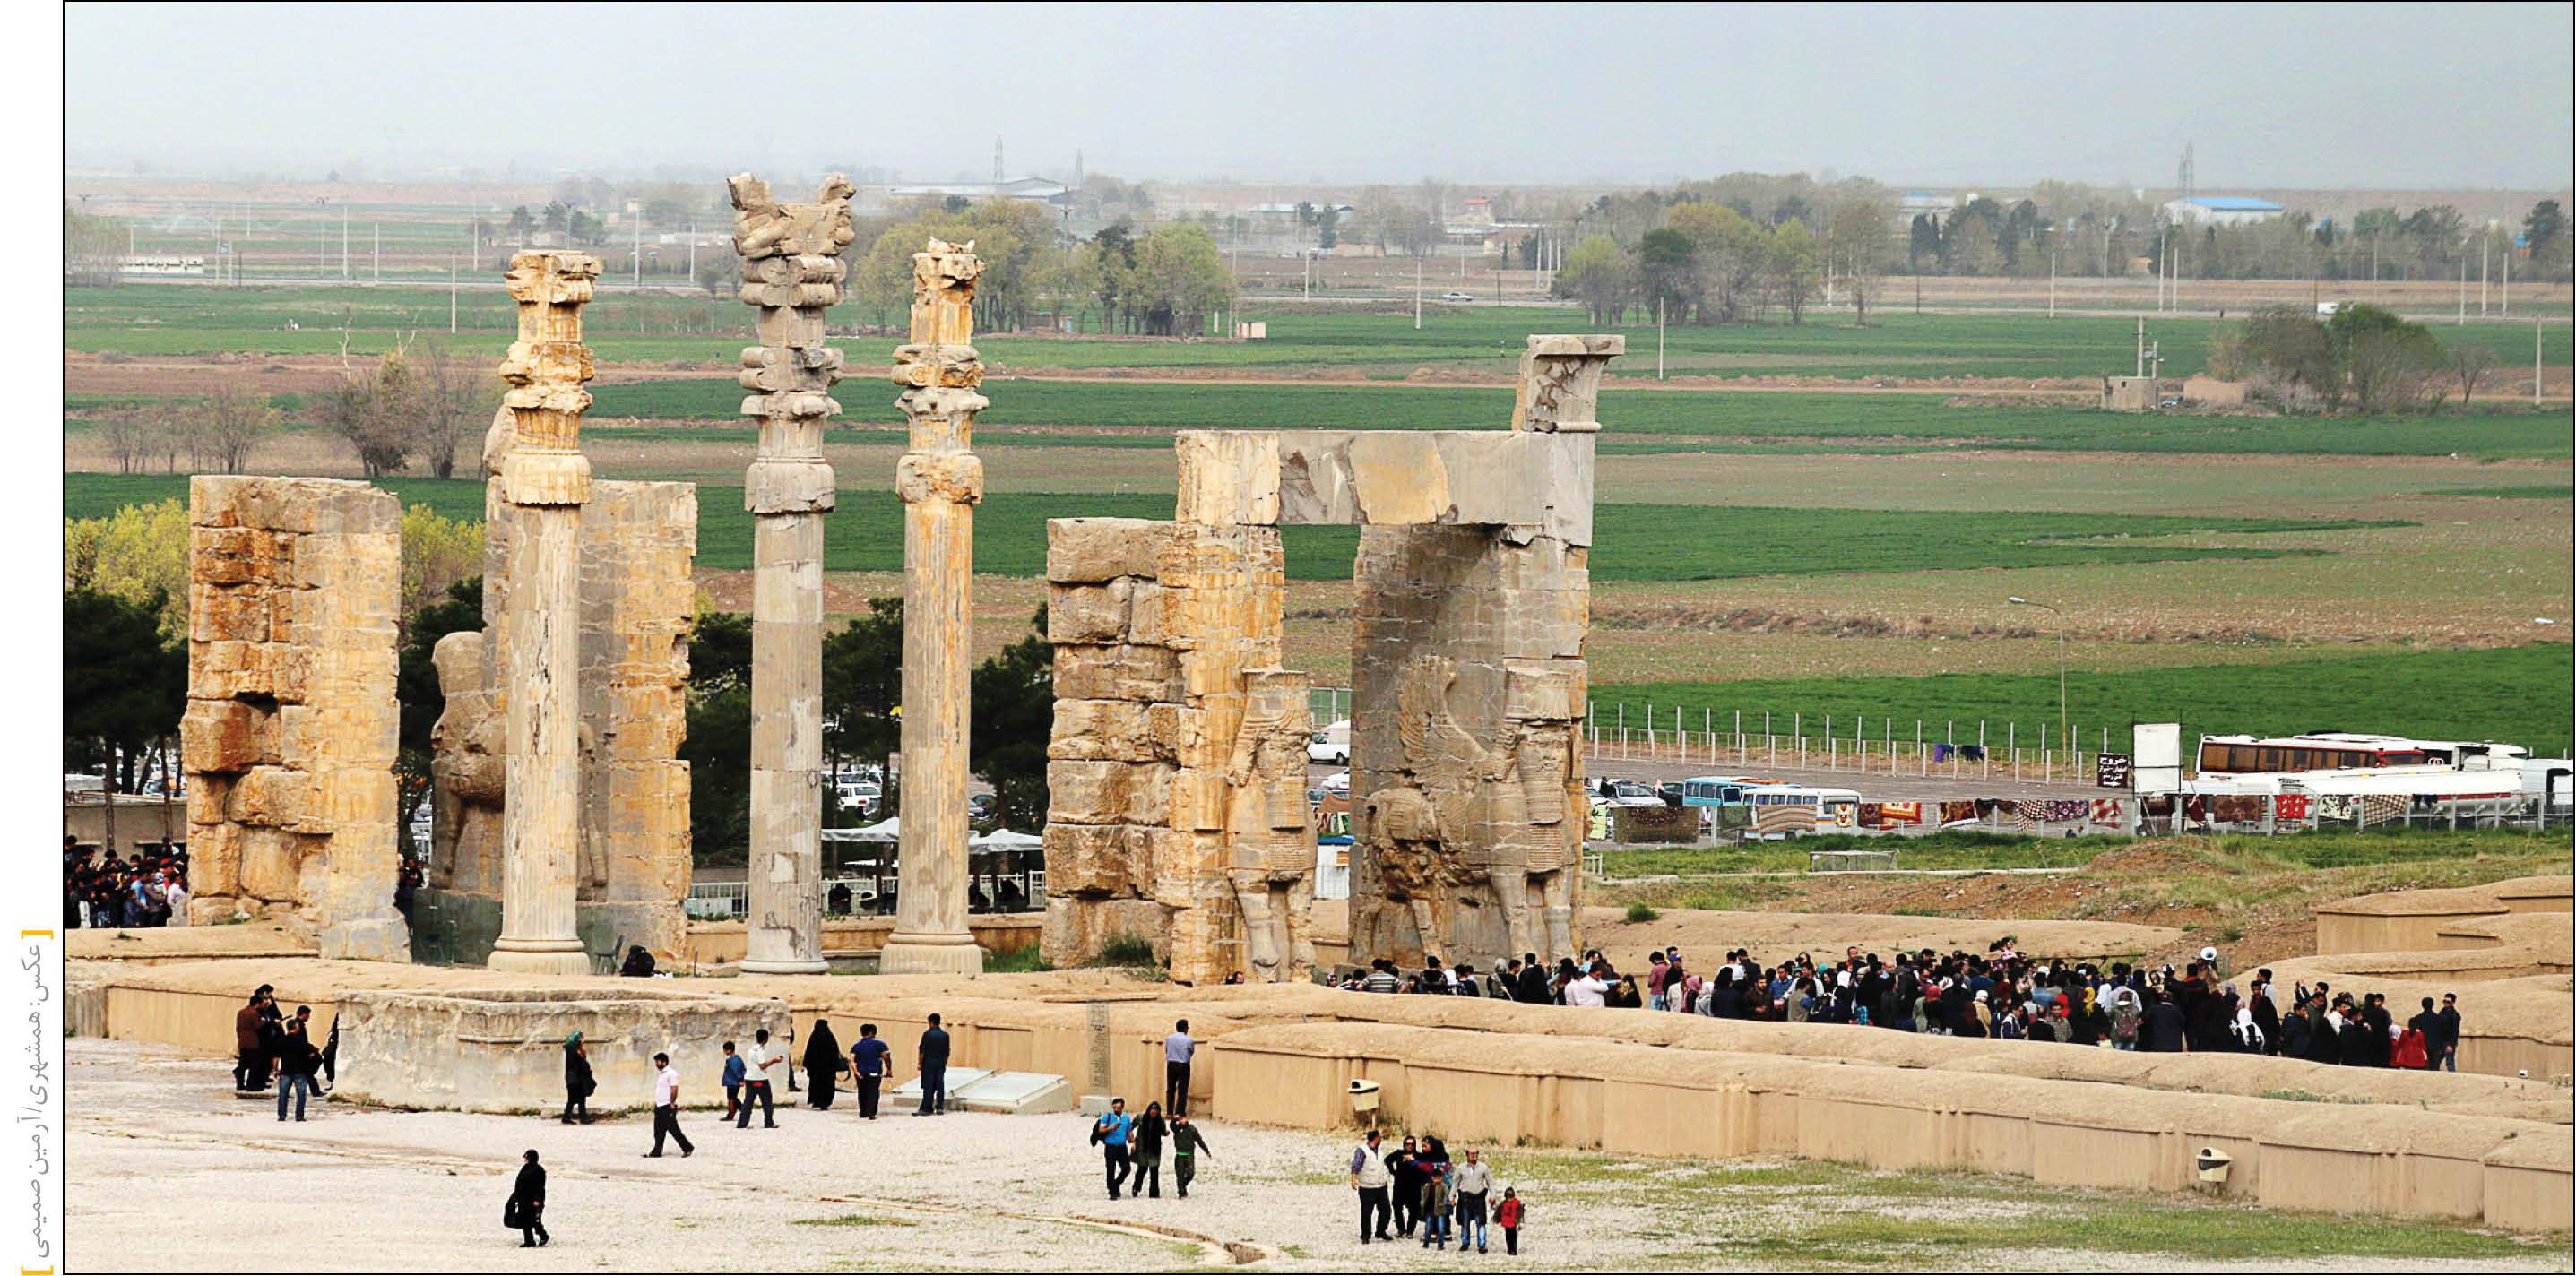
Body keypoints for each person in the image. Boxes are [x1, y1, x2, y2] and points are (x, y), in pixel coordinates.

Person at [274, 1005, 319, 1121]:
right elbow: (309, 1051)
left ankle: (282, 1115)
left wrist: (275, 1070)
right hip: (299, 1070)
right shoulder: (300, 1041)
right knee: (301, 1095)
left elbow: (276, 1057)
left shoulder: (281, 1041)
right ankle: (299, 1116)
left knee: (283, 1095)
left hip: (285, 1071)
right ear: (296, 1027)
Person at [646, 1051, 693, 1158]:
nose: (656, 1064)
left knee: (674, 1130)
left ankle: (687, 1148)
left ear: (664, 1062)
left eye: (657, 1062)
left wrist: (672, 1102)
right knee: (658, 1130)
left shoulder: (671, 1073)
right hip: (659, 1106)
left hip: (667, 1106)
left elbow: (674, 1088)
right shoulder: (662, 1074)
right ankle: (656, 1151)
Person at [1350, 1129, 1393, 1243]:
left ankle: (1381, 1231)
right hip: (1367, 1187)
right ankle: (1365, 1235)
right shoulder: (1362, 1151)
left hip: (1380, 1186)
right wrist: (1353, 1179)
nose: (1381, 1139)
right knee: (1366, 1212)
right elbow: (1356, 1164)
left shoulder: (1380, 1151)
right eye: (1380, 1137)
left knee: (1386, 1211)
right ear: (1376, 1138)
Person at [1452, 1147, 1493, 1254]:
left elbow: (1490, 1182)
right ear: (1467, 1155)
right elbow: (1455, 1183)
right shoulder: (1461, 1168)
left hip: (1479, 1198)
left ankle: (1482, 1245)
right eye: (1471, 1154)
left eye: (1475, 1154)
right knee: (1464, 1222)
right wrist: (1451, 1197)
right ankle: (1465, 1243)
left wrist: (1493, 1195)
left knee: (1481, 1223)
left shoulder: (1483, 1168)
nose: (1474, 1156)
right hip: (1465, 1199)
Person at [738, 1029, 782, 1127]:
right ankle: (769, 1123)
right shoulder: (761, 1050)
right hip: (760, 1078)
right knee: (767, 1102)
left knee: (748, 1102)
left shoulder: (752, 1049)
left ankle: (742, 1123)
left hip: (749, 1078)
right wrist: (774, 1060)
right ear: (766, 1039)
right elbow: (762, 1065)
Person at [1093, 1098, 1135, 1199]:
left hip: (1122, 1147)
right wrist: (1111, 1127)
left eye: (1119, 1108)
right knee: (1111, 1169)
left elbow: (1129, 1131)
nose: (1116, 1109)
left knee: (1126, 1168)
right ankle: (1113, 1192)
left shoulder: (1126, 1118)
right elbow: (1101, 1130)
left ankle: (1115, 1185)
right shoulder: (1107, 1117)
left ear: (1122, 1108)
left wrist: (1133, 1142)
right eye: (1114, 1107)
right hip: (1110, 1147)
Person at [508, 1149, 549, 1248]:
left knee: (533, 1220)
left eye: (526, 1157)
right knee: (525, 1220)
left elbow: (540, 1187)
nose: (525, 1159)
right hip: (524, 1199)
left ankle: (543, 1236)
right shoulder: (526, 1168)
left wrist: (537, 1200)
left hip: (533, 1200)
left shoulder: (538, 1170)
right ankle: (529, 1241)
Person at [851, 1023, 891, 1120]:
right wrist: (889, 1069)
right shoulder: (880, 1044)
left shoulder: (857, 1045)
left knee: (862, 1091)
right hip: (874, 1072)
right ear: (872, 1032)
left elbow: (851, 1059)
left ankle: (863, 1111)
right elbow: (886, 1057)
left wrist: (855, 1071)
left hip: (861, 1072)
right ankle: (871, 1112)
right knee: (873, 1092)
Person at [1387, 1135, 1426, 1237]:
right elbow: (1387, 1160)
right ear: (1404, 1144)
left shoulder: (1419, 1156)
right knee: (1397, 1208)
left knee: (1414, 1210)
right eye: (1407, 1144)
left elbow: (1424, 1168)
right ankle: (1400, 1229)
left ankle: (1410, 1231)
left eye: (1412, 1144)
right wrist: (1393, 1172)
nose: (1409, 1146)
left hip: (1414, 1187)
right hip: (1400, 1186)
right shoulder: (1399, 1154)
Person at [1128, 1100, 1168, 1198]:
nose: (1153, 1112)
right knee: (1142, 1169)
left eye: (1156, 1110)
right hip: (1142, 1148)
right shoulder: (1141, 1118)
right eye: (1152, 1110)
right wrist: (1132, 1140)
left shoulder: (1160, 1120)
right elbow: (1130, 1127)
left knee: (1154, 1171)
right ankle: (1136, 1187)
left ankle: (1154, 1193)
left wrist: (1166, 1133)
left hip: (1154, 1149)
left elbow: (1162, 1131)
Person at [233, 989, 271, 1092]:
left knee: (243, 1064)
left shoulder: (241, 1012)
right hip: (253, 1042)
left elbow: (238, 1027)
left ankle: (240, 1084)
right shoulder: (254, 1013)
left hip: (242, 1042)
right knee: (254, 1064)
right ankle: (251, 1085)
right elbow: (257, 1026)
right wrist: (264, 1021)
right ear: (257, 1004)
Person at [802, 1018, 843, 1111]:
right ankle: (825, 1103)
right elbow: (835, 1052)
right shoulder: (830, 1037)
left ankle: (816, 1101)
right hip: (829, 1069)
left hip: (815, 1069)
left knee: (815, 1084)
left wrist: (806, 1064)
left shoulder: (814, 1037)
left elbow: (809, 1052)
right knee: (827, 1085)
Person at [1169, 1112, 1211, 1198]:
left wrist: (1206, 1151)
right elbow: (1171, 1125)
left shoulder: (1192, 1129)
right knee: (1180, 1174)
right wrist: (1174, 1119)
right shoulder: (1177, 1128)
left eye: (1183, 1118)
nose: (1182, 1120)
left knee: (1190, 1173)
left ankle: (1182, 1186)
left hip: (1189, 1155)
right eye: (1180, 1119)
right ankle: (1181, 1191)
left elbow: (1200, 1141)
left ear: (1186, 1118)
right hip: (1179, 1155)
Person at [916, 1013, 952, 1116]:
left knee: (928, 1085)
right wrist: (944, 1064)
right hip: (940, 1063)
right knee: (940, 1085)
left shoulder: (927, 1034)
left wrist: (919, 1063)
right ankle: (940, 1107)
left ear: (931, 1022)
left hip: (928, 1063)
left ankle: (926, 1108)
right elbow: (947, 1052)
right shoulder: (945, 1035)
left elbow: (922, 1050)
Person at [560, 1032, 595, 1125]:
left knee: (577, 1099)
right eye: (582, 1039)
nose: (584, 1040)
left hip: (574, 1078)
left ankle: (569, 1117)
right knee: (576, 1099)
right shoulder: (574, 1052)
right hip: (575, 1079)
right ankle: (581, 1118)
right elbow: (581, 1065)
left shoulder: (573, 1051)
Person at [1164, 1019, 1195, 1117]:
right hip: (1183, 1065)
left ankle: (1169, 1112)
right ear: (1185, 1029)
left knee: (1170, 1089)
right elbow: (1191, 1052)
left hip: (1171, 1064)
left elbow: (1167, 1050)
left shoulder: (1169, 1038)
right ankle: (1179, 1112)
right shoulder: (1189, 1040)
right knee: (1182, 1090)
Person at [2434, 993, 2462, 1072]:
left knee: (2449, 1062)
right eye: (2444, 1001)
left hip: (2448, 1042)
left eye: (2448, 1002)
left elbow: (2455, 1031)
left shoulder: (2455, 1015)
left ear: (2453, 1003)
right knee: (2436, 1061)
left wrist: (2451, 1045)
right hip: (2440, 1042)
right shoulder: (2442, 1012)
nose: (2445, 1003)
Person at [1496, 1186, 1525, 1256]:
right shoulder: (1504, 1203)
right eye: (1507, 1197)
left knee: (1514, 1237)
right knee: (1508, 1237)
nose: (1509, 1199)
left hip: (1514, 1223)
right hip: (1507, 1223)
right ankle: (1510, 1249)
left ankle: (1514, 1250)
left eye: (1510, 1197)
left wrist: (1520, 1223)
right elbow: (1499, 1211)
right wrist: (1496, 1218)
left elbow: (1520, 1213)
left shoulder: (1517, 1203)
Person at [720, 1041, 745, 1121]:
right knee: (733, 1098)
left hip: (733, 1082)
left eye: (725, 1050)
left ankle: (733, 1114)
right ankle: (741, 1110)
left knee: (731, 1099)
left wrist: (740, 1080)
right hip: (733, 1082)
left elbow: (736, 1071)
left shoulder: (733, 1060)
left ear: (729, 1050)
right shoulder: (737, 1059)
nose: (724, 1052)